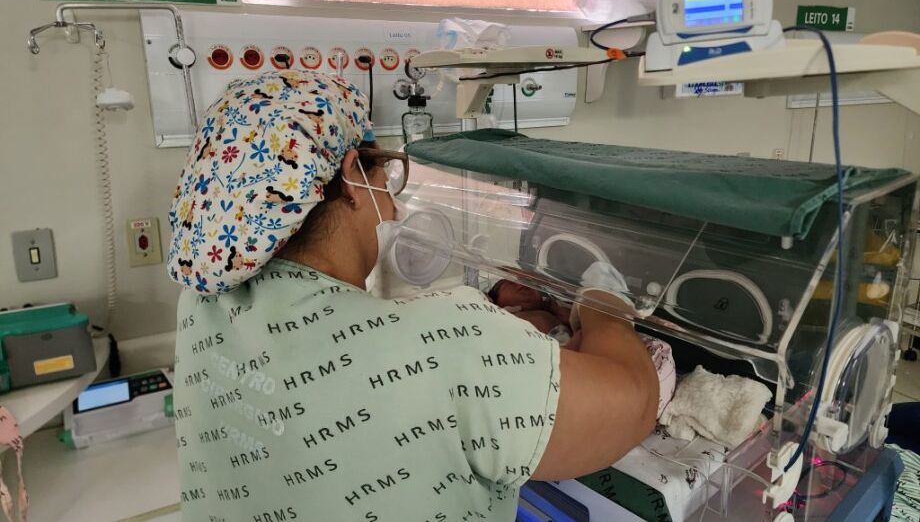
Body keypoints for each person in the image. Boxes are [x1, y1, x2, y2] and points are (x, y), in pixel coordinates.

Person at [167, 70, 658, 521]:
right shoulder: (450, 343)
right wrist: (605, 305)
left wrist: (509, 337)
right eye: (388, 175)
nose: (395, 209)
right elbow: (633, 402)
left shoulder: (201, 307)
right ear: (354, 177)